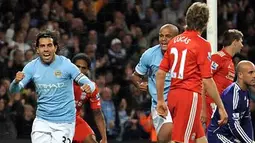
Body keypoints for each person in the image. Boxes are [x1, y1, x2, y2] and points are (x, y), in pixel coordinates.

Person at [156, 2, 228, 143]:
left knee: (201, 139)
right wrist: (221, 107)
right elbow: (207, 80)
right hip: (189, 97)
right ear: (205, 22)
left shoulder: (174, 41)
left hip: (173, 95)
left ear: (187, 18)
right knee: (179, 140)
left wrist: (160, 100)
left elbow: (160, 73)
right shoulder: (202, 44)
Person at [9, 30, 95, 143]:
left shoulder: (66, 64)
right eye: (42, 46)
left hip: (65, 123)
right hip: (42, 121)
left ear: (55, 47)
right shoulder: (31, 67)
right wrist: (15, 82)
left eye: (49, 45)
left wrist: (88, 86)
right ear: (37, 49)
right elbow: (14, 90)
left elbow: (88, 83)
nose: (46, 49)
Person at [131, 24, 179, 142]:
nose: (163, 39)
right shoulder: (149, 55)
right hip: (160, 105)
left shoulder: (184, 55)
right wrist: (139, 84)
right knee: (167, 136)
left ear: (176, 38)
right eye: (161, 36)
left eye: (168, 36)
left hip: (180, 103)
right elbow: (135, 76)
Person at [202, 29, 244, 128]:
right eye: (241, 42)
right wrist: (202, 108)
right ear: (235, 42)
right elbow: (203, 81)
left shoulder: (229, 61)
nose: (242, 45)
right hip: (209, 106)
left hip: (218, 106)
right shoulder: (218, 57)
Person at [207, 60, 255, 143]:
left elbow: (246, 119)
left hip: (230, 136)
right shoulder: (232, 93)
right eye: (250, 73)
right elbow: (234, 125)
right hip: (218, 135)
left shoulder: (245, 91)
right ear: (240, 75)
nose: (254, 75)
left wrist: (250, 140)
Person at [72, 53, 107, 143]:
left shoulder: (91, 87)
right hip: (55, 120)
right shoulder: (61, 82)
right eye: (77, 66)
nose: (79, 70)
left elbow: (97, 113)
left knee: (91, 141)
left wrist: (104, 138)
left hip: (74, 120)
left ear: (87, 70)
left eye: (83, 68)